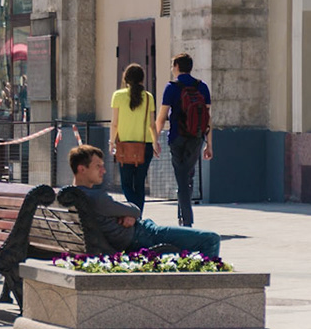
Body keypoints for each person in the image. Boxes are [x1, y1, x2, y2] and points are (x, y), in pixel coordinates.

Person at [67, 144, 221, 256]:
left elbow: (125, 211)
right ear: (82, 169)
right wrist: (127, 213)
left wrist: (122, 213)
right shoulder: (97, 198)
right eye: (98, 166)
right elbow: (135, 210)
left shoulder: (72, 196)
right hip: (145, 235)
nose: (104, 170)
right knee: (211, 239)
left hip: (137, 235)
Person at [156, 53, 212, 226]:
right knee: (187, 175)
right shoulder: (202, 87)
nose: (172, 69)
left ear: (177, 67)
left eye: (173, 66)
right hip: (196, 137)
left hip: (177, 138)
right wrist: (209, 144)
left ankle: (187, 221)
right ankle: (183, 217)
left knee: (181, 178)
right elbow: (208, 118)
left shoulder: (171, 87)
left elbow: (162, 116)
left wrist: (154, 139)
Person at [109, 63, 158, 209]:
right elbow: (152, 124)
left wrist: (112, 141)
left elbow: (115, 123)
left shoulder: (118, 95)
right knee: (140, 183)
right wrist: (156, 142)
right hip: (145, 145)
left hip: (124, 146)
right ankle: (138, 215)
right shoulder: (149, 97)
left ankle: (134, 213)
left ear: (126, 78)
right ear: (142, 79)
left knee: (126, 184)